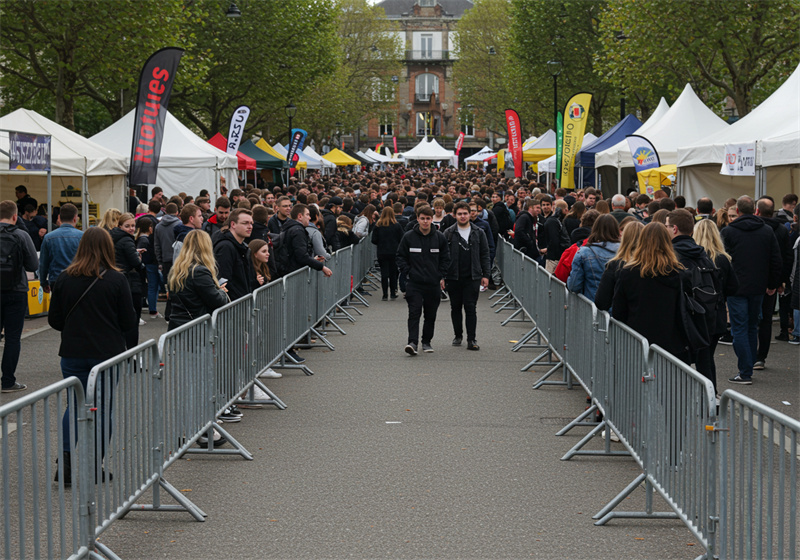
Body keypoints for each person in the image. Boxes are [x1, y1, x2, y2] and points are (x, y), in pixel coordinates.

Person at [48, 227, 137, 481]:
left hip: (73, 351)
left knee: (74, 405)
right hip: (106, 353)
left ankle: (65, 463)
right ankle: (93, 466)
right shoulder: (116, 280)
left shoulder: (65, 277)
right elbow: (128, 321)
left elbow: (54, 319)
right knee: (102, 408)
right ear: (108, 248)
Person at [721, 196, 782, 385]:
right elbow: (775, 259)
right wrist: (772, 283)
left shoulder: (728, 231)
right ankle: (748, 367)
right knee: (751, 327)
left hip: (736, 287)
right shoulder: (766, 231)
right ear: (755, 210)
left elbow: (723, 260)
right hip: (758, 287)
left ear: (737, 211)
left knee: (740, 328)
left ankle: (745, 370)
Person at [612, 223, 691, 363]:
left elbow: (618, 311)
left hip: (637, 339)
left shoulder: (628, 273)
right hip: (672, 341)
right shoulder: (680, 273)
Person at [396, 205, 451, 355]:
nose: (425, 221)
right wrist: (407, 272)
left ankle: (426, 341)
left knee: (430, 315)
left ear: (432, 219)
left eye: (428, 218)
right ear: (417, 219)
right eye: (422, 218)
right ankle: (412, 343)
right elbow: (400, 256)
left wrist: (440, 275)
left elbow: (446, 258)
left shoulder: (439, 237)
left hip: (433, 284)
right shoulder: (408, 237)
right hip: (414, 283)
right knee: (414, 313)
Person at [692, 219, 739, 392]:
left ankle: (707, 393)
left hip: (696, 312)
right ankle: (712, 392)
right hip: (716, 313)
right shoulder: (723, 259)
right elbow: (734, 287)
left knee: (700, 357)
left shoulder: (692, 258)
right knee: (707, 356)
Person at [0, 200, 39, 393]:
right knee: (13, 338)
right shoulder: (21, 235)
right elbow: (33, 265)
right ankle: (8, 381)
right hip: (16, 290)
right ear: (15, 216)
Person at [443, 202, 490, 350]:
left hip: (473, 276)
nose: (463, 216)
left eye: (465, 213)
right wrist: (442, 276)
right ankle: (458, 335)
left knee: (470, 307)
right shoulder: (448, 233)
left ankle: (472, 339)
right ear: (454, 215)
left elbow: (485, 254)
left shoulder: (479, 232)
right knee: (455, 307)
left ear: (470, 214)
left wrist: (486, 274)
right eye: (460, 214)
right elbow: (443, 256)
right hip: (453, 276)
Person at [167, 230, 229, 330]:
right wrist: (221, 291)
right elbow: (218, 301)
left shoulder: (177, 269)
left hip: (177, 325)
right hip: (196, 326)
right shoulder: (199, 272)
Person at [567, 214, 620, 301]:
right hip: (618, 306)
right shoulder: (625, 251)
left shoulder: (584, 253)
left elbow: (574, 285)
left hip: (592, 303)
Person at [111, 213, 145, 344]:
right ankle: (131, 352)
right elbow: (135, 263)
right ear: (120, 226)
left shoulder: (113, 237)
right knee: (131, 319)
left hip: (116, 278)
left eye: (133, 226)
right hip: (129, 281)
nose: (131, 229)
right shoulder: (127, 240)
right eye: (127, 226)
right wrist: (141, 262)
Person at [594, 221, 644, 311]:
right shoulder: (652, 265)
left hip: (623, 318)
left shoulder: (615, 265)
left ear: (624, 238)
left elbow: (601, 301)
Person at [38, 203, 83, 295]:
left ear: (59, 217)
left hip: (56, 280)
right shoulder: (83, 236)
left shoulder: (48, 237)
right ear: (75, 218)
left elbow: (43, 263)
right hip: (78, 280)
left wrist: (43, 282)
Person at [213, 208, 256, 302]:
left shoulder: (242, 247)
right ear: (233, 224)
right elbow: (223, 280)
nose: (250, 227)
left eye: (251, 223)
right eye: (245, 223)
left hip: (242, 302)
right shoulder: (226, 247)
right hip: (233, 305)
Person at [280, 204, 333, 277]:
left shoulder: (292, 228)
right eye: (307, 215)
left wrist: (313, 260)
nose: (310, 218)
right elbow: (302, 256)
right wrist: (321, 267)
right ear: (300, 216)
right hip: (294, 274)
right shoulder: (298, 231)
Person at [372, 206, 404, 300]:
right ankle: (393, 293)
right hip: (394, 252)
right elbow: (402, 238)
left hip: (382, 251)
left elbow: (374, 240)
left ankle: (385, 294)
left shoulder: (378, 225)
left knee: (384, 274)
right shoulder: (397, 225)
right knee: (393, 273)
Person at [154, 202, 180, 280]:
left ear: (165, 211)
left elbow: (157, 245)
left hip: (165, 260)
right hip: (178, 259)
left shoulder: (158, 226)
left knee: (168, 285)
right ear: (177, 212)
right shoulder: (180, 225)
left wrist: (160, 261)